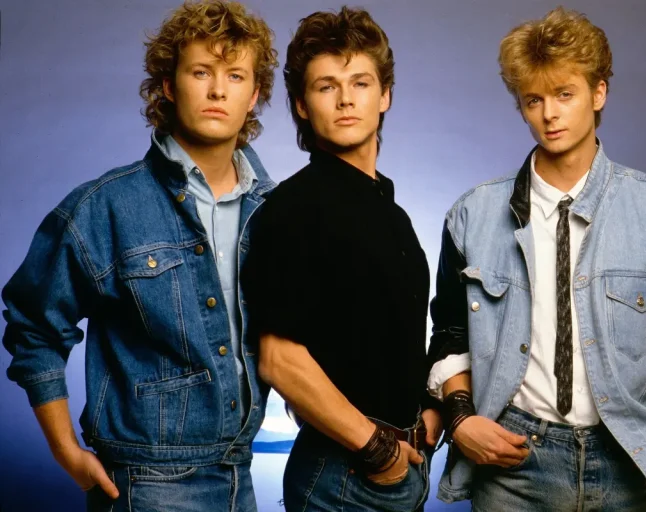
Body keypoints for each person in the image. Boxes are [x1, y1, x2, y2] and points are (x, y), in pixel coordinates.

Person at [426, 7, 646, 511]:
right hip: (511, 465)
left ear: (598, 93)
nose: (549, 114)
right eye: (534, 100)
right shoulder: (471, 215)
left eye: (564, 94)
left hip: (623, 466)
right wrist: (461, 420)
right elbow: (450, 334)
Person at [2, 1, 277, 510]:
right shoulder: (106, 206)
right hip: (147, 484)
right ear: (169, 85)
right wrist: (65, 450)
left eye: (236, 76)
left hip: (241, 475)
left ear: (254, 94)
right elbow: (34, 327)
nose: (218, 91)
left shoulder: (275, 212)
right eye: (201, 72)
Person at [243, 6, 442, 512]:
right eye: (326, 86)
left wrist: (427, 414)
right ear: (302, 104)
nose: (346, 98)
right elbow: (278, 359)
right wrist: (378, 452)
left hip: (402, 466)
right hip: (345, 474)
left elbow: (390, 338)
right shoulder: (294, 208)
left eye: (361, 83)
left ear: (385, 95)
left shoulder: (390, 211)